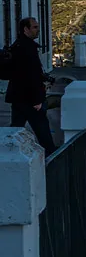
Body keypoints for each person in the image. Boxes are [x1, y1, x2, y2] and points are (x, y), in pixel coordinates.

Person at [6, 17, 56, 155]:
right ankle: (53, 163)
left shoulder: (19, 46)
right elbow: (30, 76)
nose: (37, 30)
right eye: (34, 27)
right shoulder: (27, 48)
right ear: (26, 29)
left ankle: (9, 155)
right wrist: (37, 100)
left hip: (18, 97)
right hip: (29, 100)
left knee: (15, 131)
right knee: (44, 135)